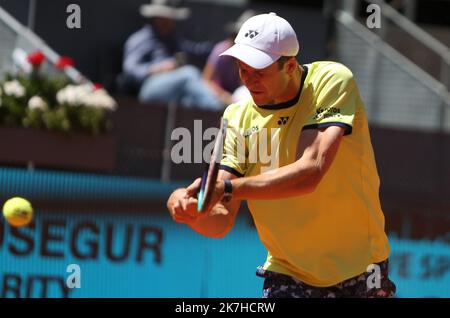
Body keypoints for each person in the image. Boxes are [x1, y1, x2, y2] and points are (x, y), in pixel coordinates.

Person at [167, 12, 396, 298]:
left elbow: (311, 172)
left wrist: (226, 187)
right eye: (242, 70)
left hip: (362, 268)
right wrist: (192, 212)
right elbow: (221, 218)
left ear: (289, 66)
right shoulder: (237, 116)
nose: (249, 81)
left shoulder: (331, 81)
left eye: (259, 71)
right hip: (287, 271)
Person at [122, 0, 223, 110]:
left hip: (173, 90)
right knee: (190, 73)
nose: (169, 23)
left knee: (190, 99)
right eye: (165, 19)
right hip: (148, 87)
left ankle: (204, 124)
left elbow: (194, 49)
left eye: (170, 19)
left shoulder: (173, 39)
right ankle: (218, 110)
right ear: (156, 18)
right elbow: (130, 69)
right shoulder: (141, 39)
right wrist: (159, 68)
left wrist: (220, 47)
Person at [202, 10, 254, 105]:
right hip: (217, 96)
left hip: (238, 98)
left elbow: (245, 87)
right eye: (234, 35)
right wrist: (223, 96)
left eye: (239, 36)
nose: (234, 39)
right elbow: (206, 79)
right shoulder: (220, 50)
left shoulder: (251, 58)